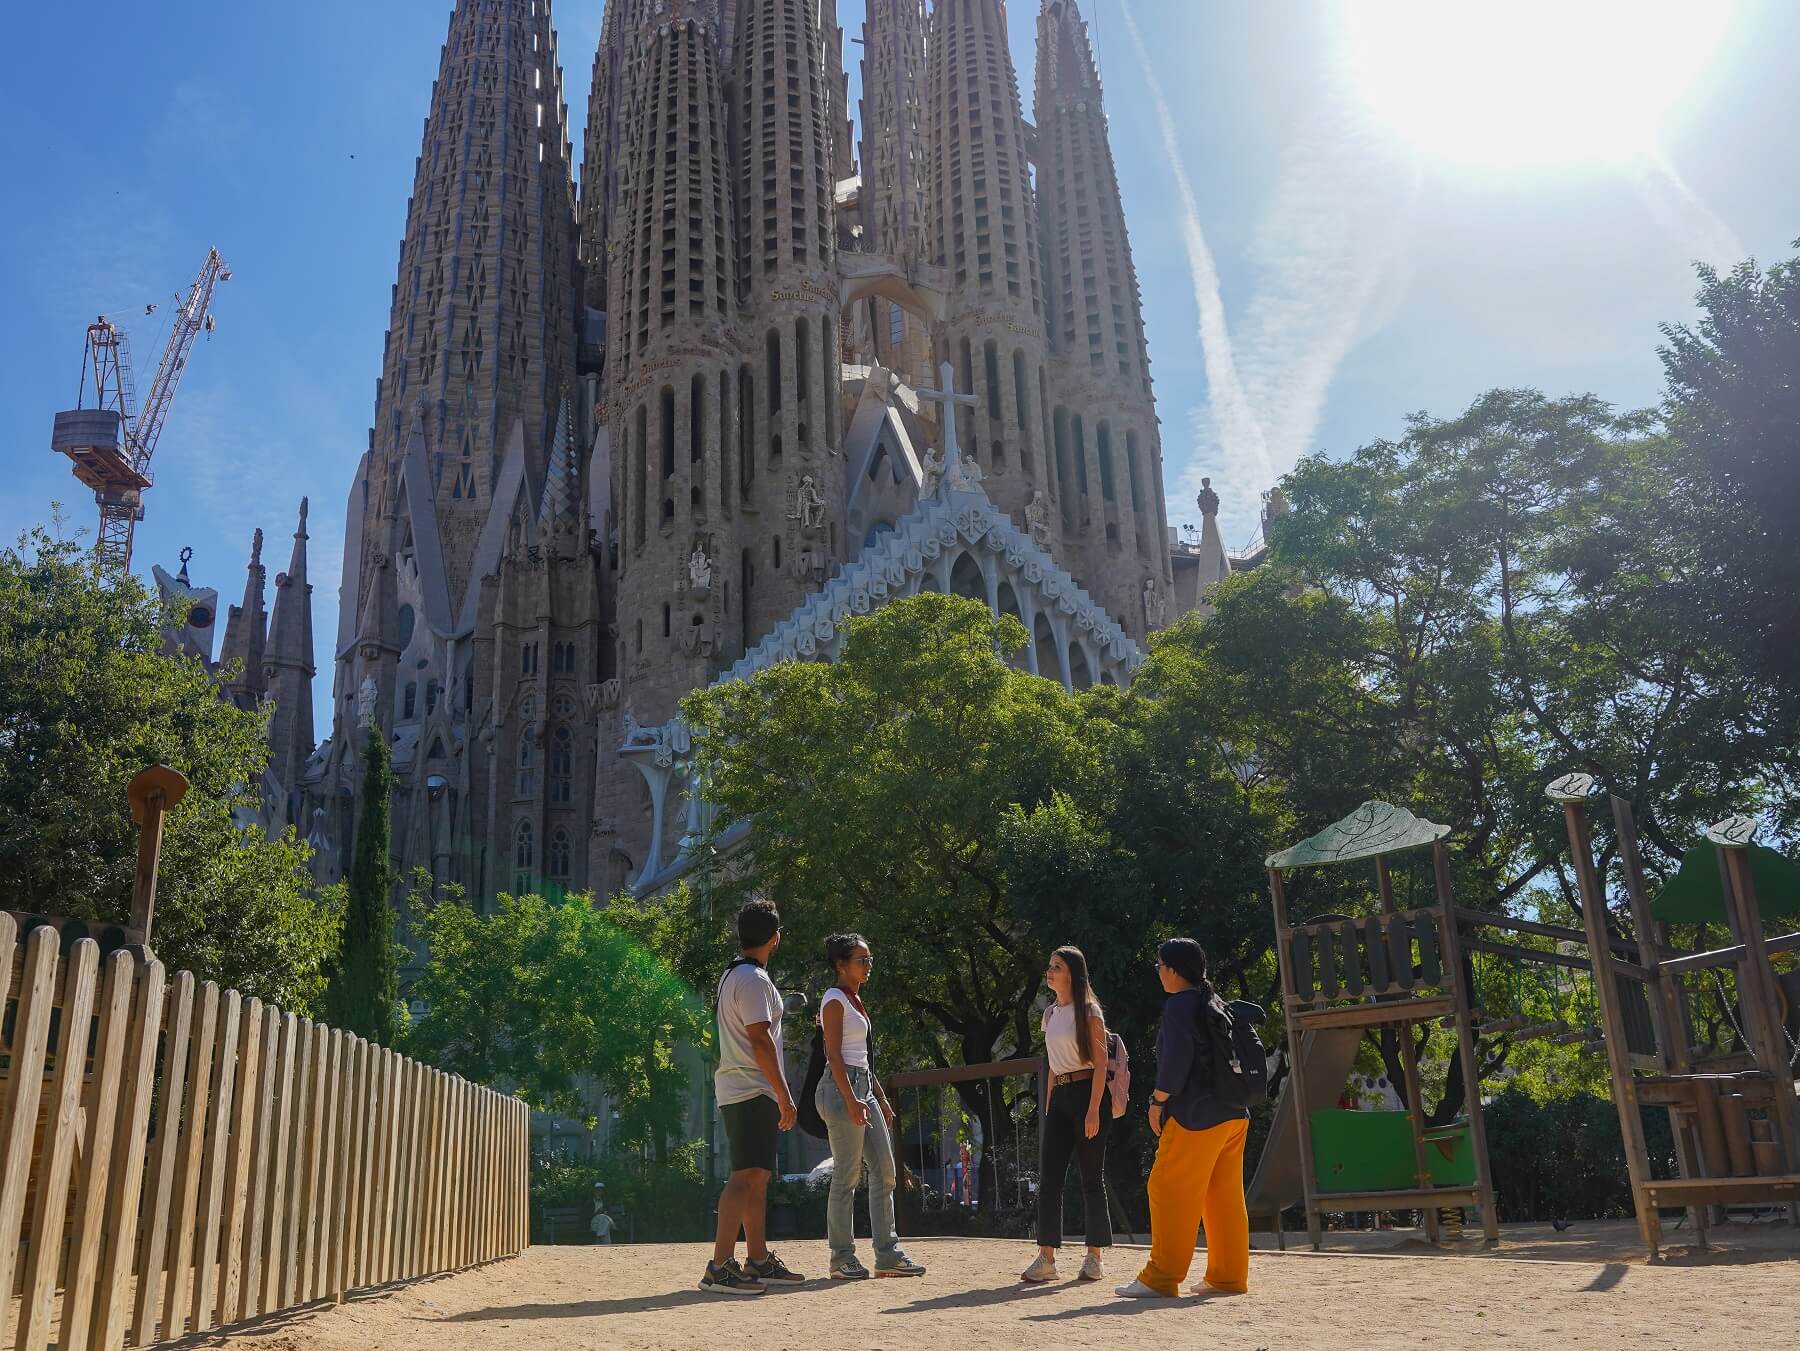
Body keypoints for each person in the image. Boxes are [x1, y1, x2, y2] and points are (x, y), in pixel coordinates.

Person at [1116, 937, 1250, 1299]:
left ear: (1172, 970)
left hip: (1196, 1114)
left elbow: (1176, 1061)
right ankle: (1227, 1277)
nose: (1158, 972)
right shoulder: (1215, 1002)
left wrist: (1157, 1101)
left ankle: (1161, 1276)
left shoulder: (1179, 1006)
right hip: (1235, 1114)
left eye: (1159, 966)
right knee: (1222, 1196)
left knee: (1166, 1188)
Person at [700, 899, 807, 1295]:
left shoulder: (736, 975)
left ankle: (757, 1259)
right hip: (749, 1089)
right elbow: (760, 1039)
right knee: (744, 1177)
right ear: (775, 938)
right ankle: (719, 1266)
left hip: (743, 1088)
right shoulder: (754, 981)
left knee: (758, 1176)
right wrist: (784, 1093)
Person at [815, 933, 927, 1280]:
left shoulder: (855, 1000)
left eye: (869, 959)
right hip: (839, 1089)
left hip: (861, 1085)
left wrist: (877, 1095)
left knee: (886, 1170)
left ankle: (887, 1255)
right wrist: (852, 1101)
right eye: (862, 960)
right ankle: (841, 1257)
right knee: (847, 1176)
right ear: (840, 964)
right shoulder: (834, 999)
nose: (868, 966)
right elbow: (834, 1055)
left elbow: (862, 1059)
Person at [1022, 946, 1113, 1284]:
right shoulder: (1050, 1014)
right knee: (1050, 1180)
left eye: (1056, 966)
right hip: (1060, 1095)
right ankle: (1046, 1257)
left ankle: (1094, 1257)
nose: (1049, 971)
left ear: (1072, 973)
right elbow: (1051, 1067)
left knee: (1091, 1178)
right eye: (1050, 965)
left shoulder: (1089, 1010)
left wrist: (1093, 1109)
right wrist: (1048, 1107)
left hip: (1088, 1092)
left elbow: (1101, 1063)